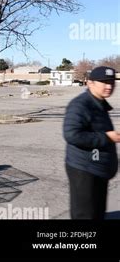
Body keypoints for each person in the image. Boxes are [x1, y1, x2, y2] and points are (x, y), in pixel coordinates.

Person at [63, 66, 119, 220]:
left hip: (98, 170)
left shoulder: (99, 103)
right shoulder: (80, 105)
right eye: (104, 82)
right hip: (84, 170)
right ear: (90, 83)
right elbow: (72, 134)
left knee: (97, 213)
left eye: (112, 82)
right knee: (85, 214)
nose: (109, 86)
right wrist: (107, 137)